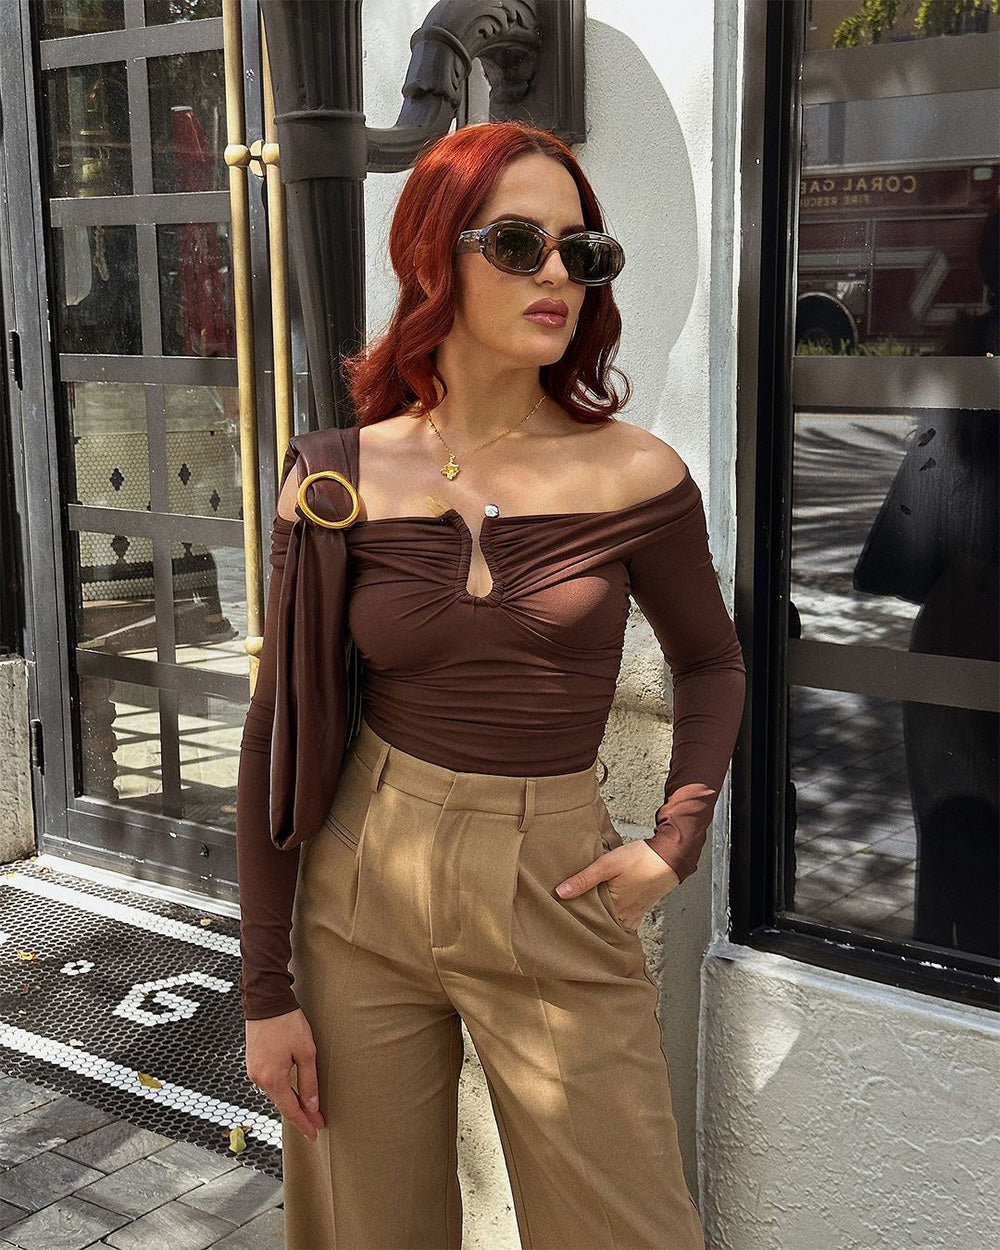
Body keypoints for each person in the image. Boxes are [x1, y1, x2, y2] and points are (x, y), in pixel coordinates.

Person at [236, 120, 746, 1250]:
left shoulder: (634, 472)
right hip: (362, 881)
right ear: (434, 255)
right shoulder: (337, 475)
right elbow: (276, 726)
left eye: (583, 251)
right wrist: (266, 990)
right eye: (518, 243)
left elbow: (712, 661)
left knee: (629, 1229)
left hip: (553, 879)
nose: (558, 273)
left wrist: (674, 840)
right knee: (368, 1228)